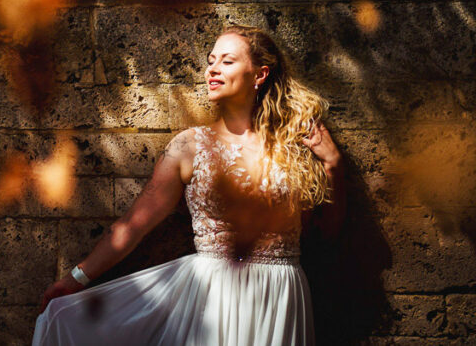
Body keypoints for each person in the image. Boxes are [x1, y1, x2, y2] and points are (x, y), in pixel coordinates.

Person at [32, 25, 345, 345]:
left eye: (227, 61)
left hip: (279, 294)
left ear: (259, 74)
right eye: (211, 61)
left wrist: (333, 165)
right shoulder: (189, 146)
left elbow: (324, 234)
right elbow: (133, 225)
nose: (213, 69)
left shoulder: (293, 145)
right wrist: (76, 278)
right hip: (213, 296)